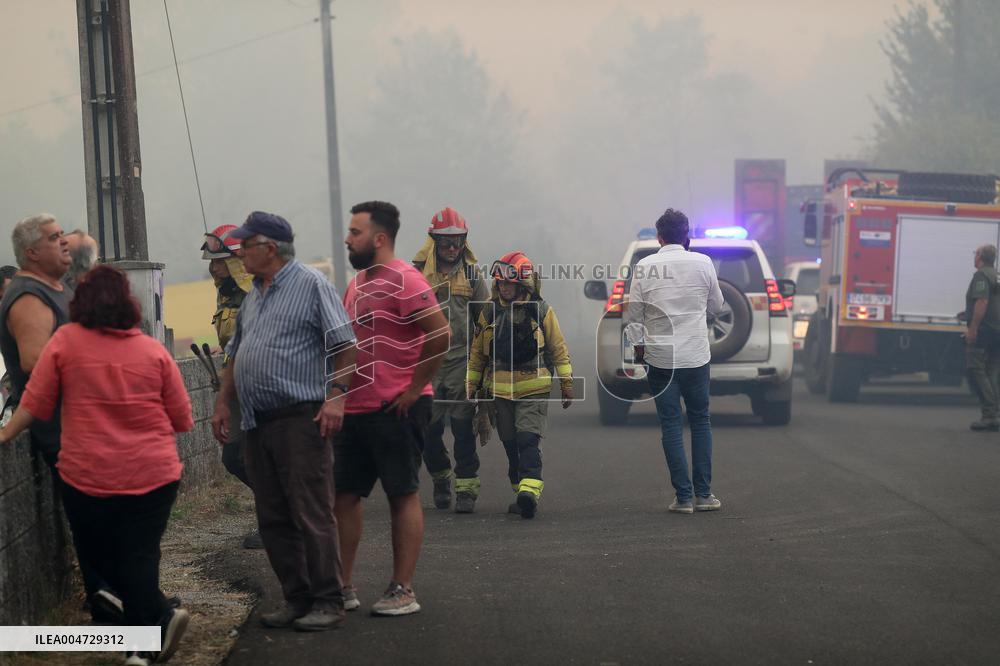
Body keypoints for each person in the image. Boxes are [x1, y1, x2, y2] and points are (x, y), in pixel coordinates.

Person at [0, 265, 193, 666]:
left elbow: (35, 402)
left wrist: (4, 435)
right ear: (129, 303)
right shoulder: (153, 351)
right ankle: (152, 629)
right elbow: (182, 419)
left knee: (104, 558)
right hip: (153, 475)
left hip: (88, 477)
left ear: (80, 303)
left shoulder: (65, 343)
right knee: (140, 556)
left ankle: (146, 636)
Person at [210, 211, 357, 632]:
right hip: (258, 421)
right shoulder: (253, 295)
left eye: (246, 245)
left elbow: (346, 345)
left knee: (311, 511)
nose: (240, 253)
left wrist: (336, 398)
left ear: (269, 248)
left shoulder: (311, 285)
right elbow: (235, 354)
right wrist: (223, 402)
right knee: (272, 514)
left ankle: (328, 599)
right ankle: (297, 597)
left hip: (299, 417)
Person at [0, 214, 121, 621]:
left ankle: (127, 597)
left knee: (107, 515)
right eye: (54, 238)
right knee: (93, 517)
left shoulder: (57, 287)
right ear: (32, 252)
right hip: (63, 428)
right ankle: (111, 606)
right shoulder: (28, 296)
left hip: (83, 422)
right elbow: (35, 362)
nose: (63, 243)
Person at [336, 200, 449, 615]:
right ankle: (341, 587)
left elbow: (440, 334)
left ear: (379, 238)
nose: (348, 239)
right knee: (343, 496)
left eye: (355, 232)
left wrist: (413, 388)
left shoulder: (406, 280)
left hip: (397, 407)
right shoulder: (357, 284)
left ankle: (403, 589)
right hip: (355, 408)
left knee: (401, 494)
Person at [625, 208, 724, 514]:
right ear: (687, 237)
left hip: (660, 359)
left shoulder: (645, 267)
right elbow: (717, 306)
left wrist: (639, 350)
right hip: (696, 356)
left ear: (659, 237)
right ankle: (704, 496)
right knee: (700, 421)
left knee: (671, 425)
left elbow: (634, 315)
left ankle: (683, 498)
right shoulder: (703, 263)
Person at [465, 251, 574, 520]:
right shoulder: (489, 311)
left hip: (533, 389)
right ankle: (522, 493)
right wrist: (472, 385)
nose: (503, 288)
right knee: (511, 446)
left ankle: (529, 492)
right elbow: (478, 353)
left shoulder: (541, 311)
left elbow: (558, 348)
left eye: (508, 283)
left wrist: (567, 383)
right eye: (500, 283)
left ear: (523, 283)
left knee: (527, 440)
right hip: (500, 393)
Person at [411, 207, 491, 513]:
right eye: (446, 242)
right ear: (434, 241)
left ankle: (467, 488)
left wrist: (486, 365)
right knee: (427, 428)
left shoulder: (471, 274)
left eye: (458, 241)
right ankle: (441, 476)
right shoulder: (416, 275)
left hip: (462, 362)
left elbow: (486, 321)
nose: (452, 248)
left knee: (462, 428)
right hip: (426, 362)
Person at [200, 224, 261, 548]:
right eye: (211, 262)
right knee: (234, 458)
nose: (213, 268)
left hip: (259, 388)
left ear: (236, 261)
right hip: (233, 387)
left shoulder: (259, 294)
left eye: (219, 261)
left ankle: (276, 521)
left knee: (260, 456)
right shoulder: (226, 293)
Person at [961, 244, 1000, 431]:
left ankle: (989, 414)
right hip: (997, 331)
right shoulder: (996, 275)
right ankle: (995, 415)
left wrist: (973, 328)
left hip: (985, 331)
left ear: (981, 257)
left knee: (975, 368)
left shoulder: (982, 275)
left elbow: (982, 301)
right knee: (992, 371)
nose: (974, 256)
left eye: (976, 253)